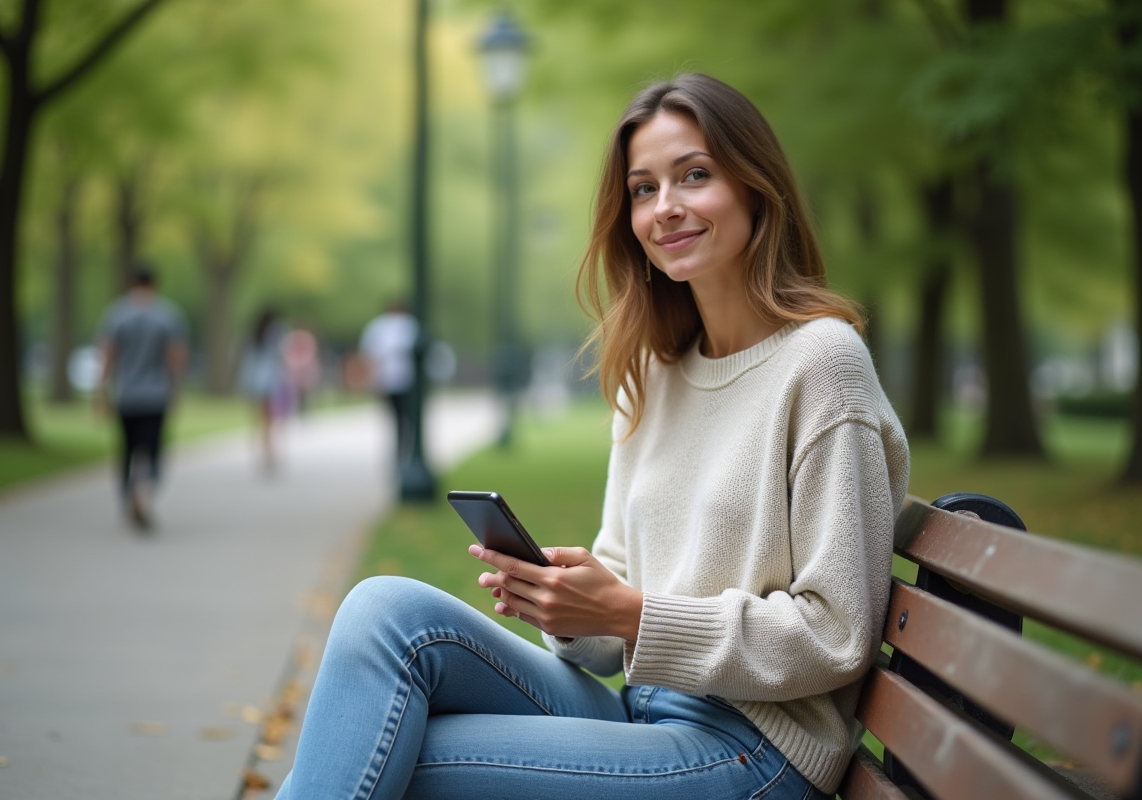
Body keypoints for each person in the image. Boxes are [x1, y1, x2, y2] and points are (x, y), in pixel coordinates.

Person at [275, 73, 909, 799]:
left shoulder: (822, 364)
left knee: (390, 750)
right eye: (644, 189)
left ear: (756, 187)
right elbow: (611, 630)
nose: (666, 207)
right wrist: (568, 606)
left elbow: (836, 633)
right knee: (383, 612)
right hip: (640, 714)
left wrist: (632, 613)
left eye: (694, 176)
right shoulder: (653, 371)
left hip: (752, 753)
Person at [94, 265, 188, 531]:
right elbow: (176, 356)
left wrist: (101, 390)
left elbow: (108, 355)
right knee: (152, 449)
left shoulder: (117, 313)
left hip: (127, 394)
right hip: (156, 395)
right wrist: (176, 390)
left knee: (128, 449)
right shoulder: (167, 315)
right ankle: (143, 496)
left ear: (130, 283)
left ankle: (129, 496)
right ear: (154, 284)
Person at [358, 300, 419, 472]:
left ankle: (402, 452)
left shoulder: (382, 326)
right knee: (403, 418)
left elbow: (370, 356)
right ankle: (403, 452)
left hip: (398, 381)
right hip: (398, 381)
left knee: (400, 418)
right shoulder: (405, 325)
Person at [238, 308, 289, 472]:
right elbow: (281, 355)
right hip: (270, 380)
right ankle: (270, 453)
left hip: (254, 379)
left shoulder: (253, 333)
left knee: (260, 419)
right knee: (270, 420)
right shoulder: (276, 332)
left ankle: (263, 452)